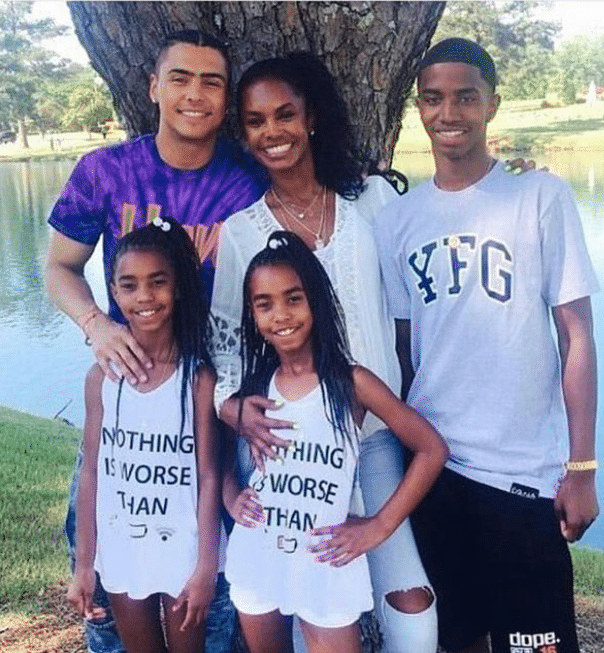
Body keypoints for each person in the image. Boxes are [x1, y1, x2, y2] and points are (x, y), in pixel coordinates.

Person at [374, 38, 600, 653]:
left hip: (522, 475)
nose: (449, 113)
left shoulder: (539, 197)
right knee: (457, 640)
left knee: (536, 645)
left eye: (465, 97)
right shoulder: (397, 220)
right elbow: (404, 352)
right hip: (437, 469)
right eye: (433, 99)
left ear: (491, 105)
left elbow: (576, 334)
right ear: (418, 107)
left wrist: (581, 467)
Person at [46, 30, 267, 653]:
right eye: (180, 78)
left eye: (211, 82)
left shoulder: (251, 183)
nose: (195, 94)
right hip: (131, 390)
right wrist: (98, 325)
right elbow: (60, 267)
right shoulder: (105, 171)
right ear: (153, 87)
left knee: (218, 557)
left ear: (226, 98)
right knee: (100, 537)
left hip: (213, 392)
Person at [210, 53, 439, 652]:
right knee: (290, 596)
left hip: (375, 439)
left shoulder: (372, 202)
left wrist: (501, 189)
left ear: (311, 117)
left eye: (285, 114)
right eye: (256, 121)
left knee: (414, 613)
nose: (273, 131)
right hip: (286, 441)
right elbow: (224, 344)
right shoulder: (241, 231)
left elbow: (420, 282)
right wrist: (232, 408)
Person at [221, 231, 447, 653]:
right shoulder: (254, 388)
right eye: (264, 304)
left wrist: (379, 526)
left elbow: (432, 449)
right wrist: (231, 495)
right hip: (259, 553)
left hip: (325, 562)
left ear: (317, 301)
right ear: (252, 315)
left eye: (293, 298)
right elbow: (223, 459)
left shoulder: (352, 382)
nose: (281, 314)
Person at [67, 218, 222, 653]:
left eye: (158, 282)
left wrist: (206, 565)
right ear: (114, 293)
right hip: (122, 549)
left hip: (183, 549)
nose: (145, 297)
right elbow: (91, 474)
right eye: (129, 285)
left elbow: (209, 476)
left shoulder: (198, 379)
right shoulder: (101, 378)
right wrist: (84, 565)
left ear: (178, 287)